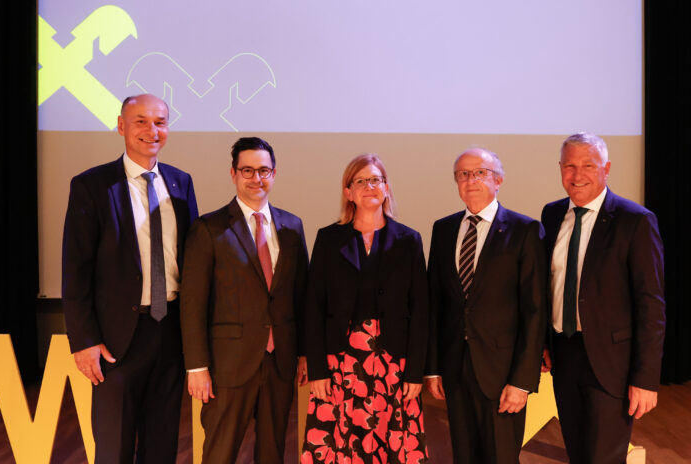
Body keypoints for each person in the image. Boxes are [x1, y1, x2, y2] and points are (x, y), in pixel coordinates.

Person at [62, 94, 198, 463]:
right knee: (114, 447)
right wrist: (84, 340)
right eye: (140, 121)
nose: (151, 130)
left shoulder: (182, 183)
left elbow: (193, 263)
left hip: (170, 332)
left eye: (160, 122)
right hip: (115, 340)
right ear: (121, 126)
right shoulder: (91, 185)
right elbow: (75, 269)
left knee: (162, 443)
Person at [180, 137, 308, 463]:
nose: (257, 178)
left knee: (272, 452)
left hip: (279, 362)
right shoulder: (208, 228)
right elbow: (193, 303)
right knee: (220, 454)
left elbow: (300, 297)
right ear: (233, 174)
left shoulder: (292, 226)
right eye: (247, 170)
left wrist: (304, 354)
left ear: (274, 173)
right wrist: (197, 366)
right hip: (228, 366)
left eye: (263, 170)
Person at [541, 132, 665, 464]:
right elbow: (546, 285)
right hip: (564, 354)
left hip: (613, 364)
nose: (577, 175)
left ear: (606, 169)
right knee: (578, 453)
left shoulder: (635, 221)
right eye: (569, 166)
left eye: (588, 165)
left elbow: (651, 305)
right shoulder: (551, 216)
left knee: (604, 458)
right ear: (560, 168)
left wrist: (645, 379)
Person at [301, 153, 429, 464]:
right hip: (339, 364)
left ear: (386, 188)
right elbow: (313, 308)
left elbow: (422, 311)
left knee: (391, 445)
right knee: (341, 447)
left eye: (376, 180)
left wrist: (415, 373)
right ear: (349, 192)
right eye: (360, 181)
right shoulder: (329, 239)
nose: (369, 186)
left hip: (394, 364)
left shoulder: (408, 240)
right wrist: (317, 369)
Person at [424, 148, 547, 464]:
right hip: (455, 368)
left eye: (480, 172)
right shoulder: (444, 229)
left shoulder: (525, 230)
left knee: (501, 457)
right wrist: (434, 367)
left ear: (499, 179)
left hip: (503, 373)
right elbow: (436, 304)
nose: (470, 180)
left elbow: (535, 310)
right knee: (464, 456)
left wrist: (522, 380)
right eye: (463, 174)